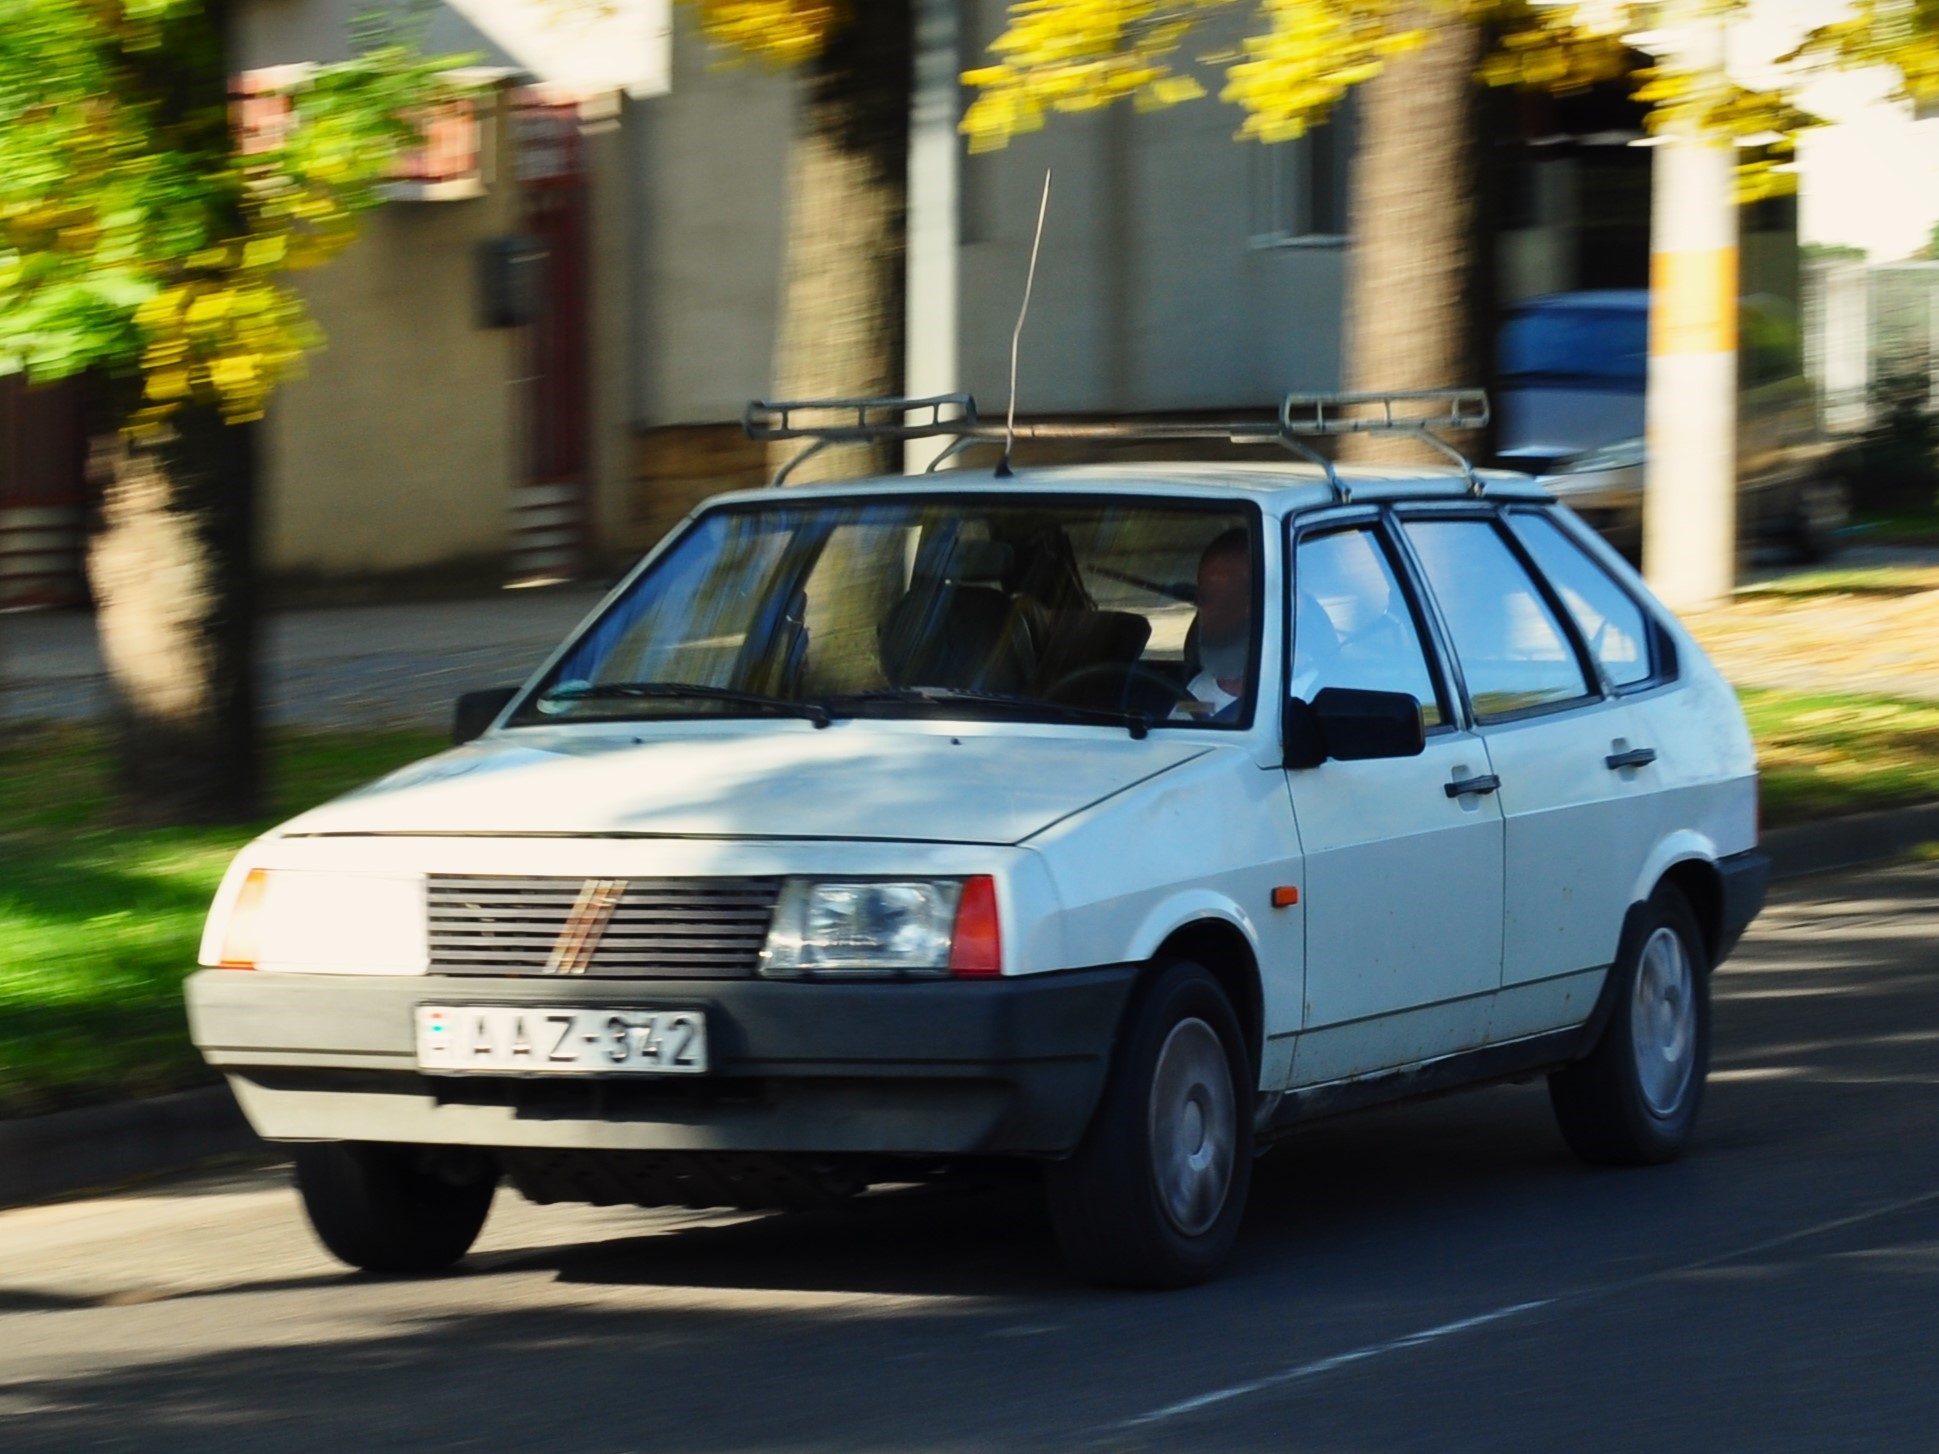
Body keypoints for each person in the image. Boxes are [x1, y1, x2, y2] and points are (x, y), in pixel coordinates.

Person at [1178, 527, 1253, 721]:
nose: (1213, 613)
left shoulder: (1300, 691)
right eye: (1205, 600)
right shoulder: (1198, 688)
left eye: (1228, 600)